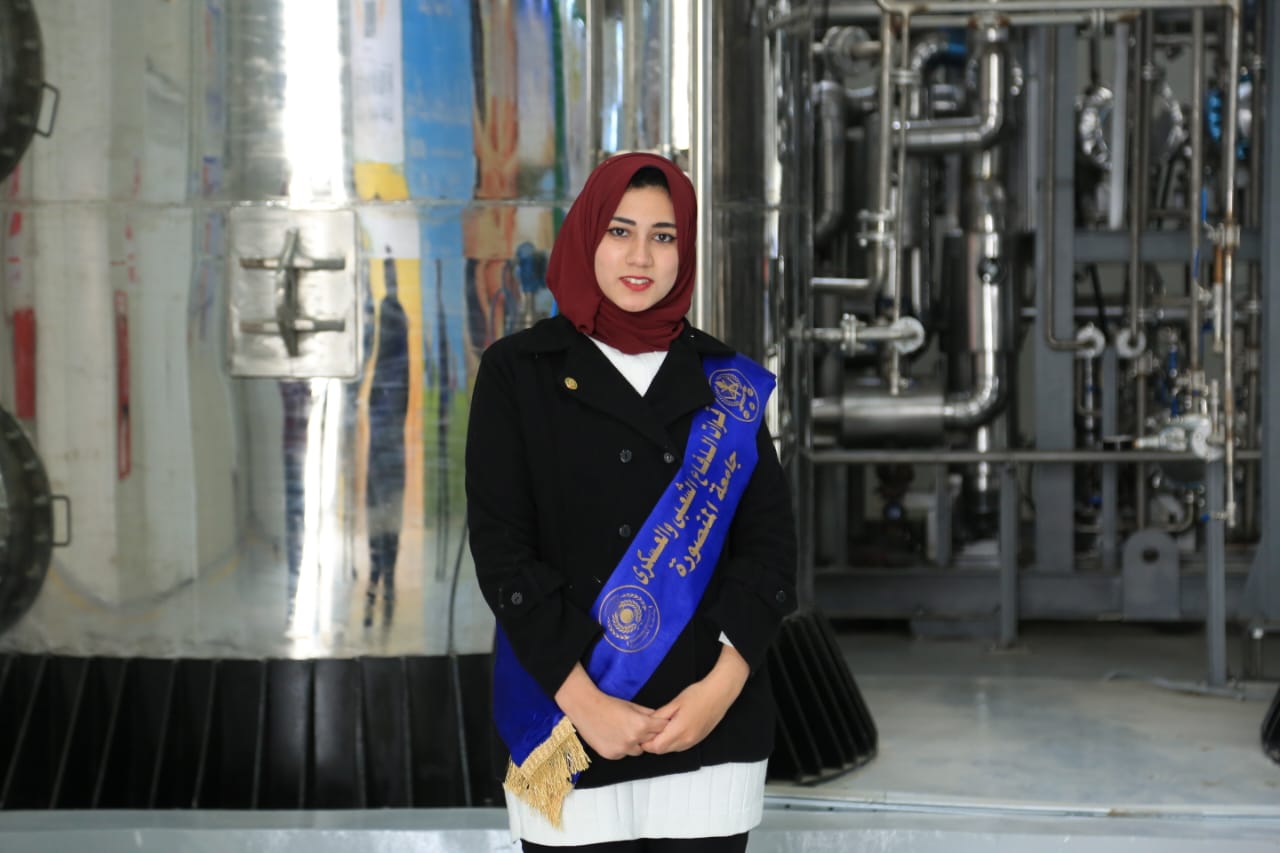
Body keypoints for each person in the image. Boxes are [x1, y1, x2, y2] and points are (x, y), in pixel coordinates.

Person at [466, 152, 797, 852]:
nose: (641, 255)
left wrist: (716, 693)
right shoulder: (517, 373)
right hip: (566, 723)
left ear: (685, 250)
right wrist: (588, 705)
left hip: (707, 729)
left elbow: (769, 551)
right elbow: (502, 553)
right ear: (588, 235)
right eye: (620, 231)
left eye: (663, 235)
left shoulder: (726, 382)